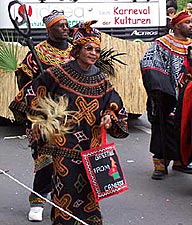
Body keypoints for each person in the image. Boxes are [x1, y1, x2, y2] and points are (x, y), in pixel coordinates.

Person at [9, 20, 129, 225]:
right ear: (77, 50)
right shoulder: (57, 73)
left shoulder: (101, 78)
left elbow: (114, 102)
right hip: (62, 145)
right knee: (65, 191)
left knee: (89, 193)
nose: (93, 53)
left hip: (90, 146)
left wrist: (110, 115)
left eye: (97, 50)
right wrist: (43, 120)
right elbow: (28, 95)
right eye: (88, 48)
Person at [15, 10, 73, 222]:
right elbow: (23, 82)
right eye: (61, 25)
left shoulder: (75, 52)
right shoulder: (37, 53)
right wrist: (40, 85)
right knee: (45, 159)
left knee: (70, 161)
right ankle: (38, 200)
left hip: (72, 115)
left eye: (67, 24)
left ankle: (65, 202)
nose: (65, 28)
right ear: (50, 29)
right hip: (44, 116)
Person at [140, 10, 192, 180]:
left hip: (188, 97)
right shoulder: (161, 43)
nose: (191, 26)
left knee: (185, 128)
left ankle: (180, 161)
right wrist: (162, 89)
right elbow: (148, 62)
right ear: (177, 25)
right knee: (163, 126)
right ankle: (160, 164)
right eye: (188, 22)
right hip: (167, 95)